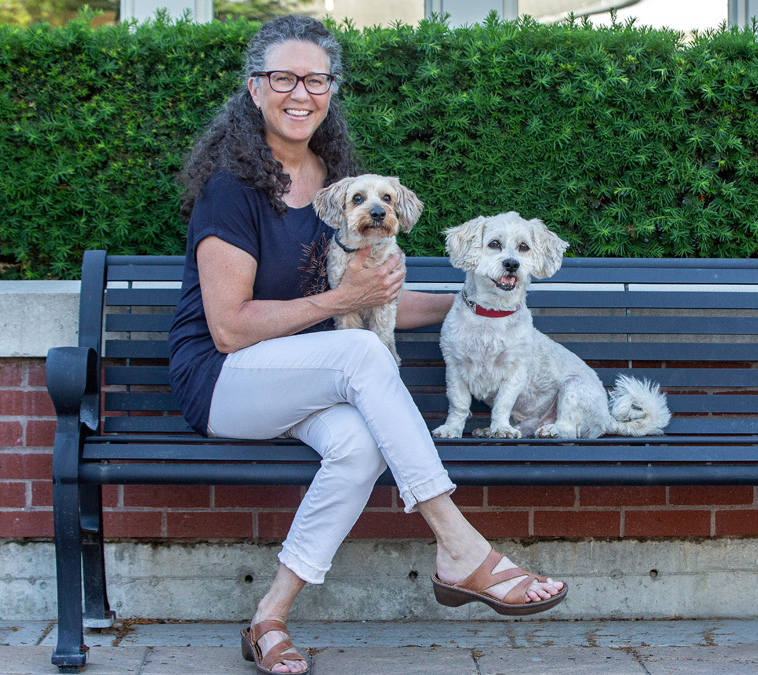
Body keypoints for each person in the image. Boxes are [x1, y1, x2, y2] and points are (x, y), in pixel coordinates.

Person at [168, 15, 566, 675]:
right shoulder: (231, 188)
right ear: (254, 89)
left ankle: (268, 618)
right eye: (283, 78)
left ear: (331, 90)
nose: (301, 92)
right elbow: (229, 327)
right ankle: (461, 548)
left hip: (306, 371)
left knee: (359, 445)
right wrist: (343, 302)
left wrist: (480, 306)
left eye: (316, 78)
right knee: (362, 354)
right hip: (222, 379)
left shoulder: (340, 183)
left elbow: (374, 297)